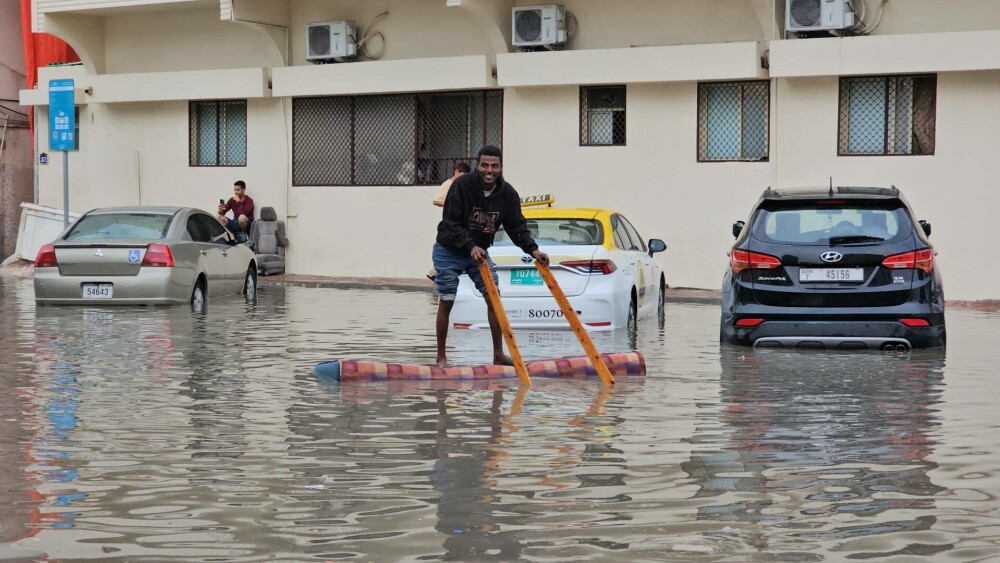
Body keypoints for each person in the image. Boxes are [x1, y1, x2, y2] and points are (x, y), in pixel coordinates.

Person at [432, 145, 549, 367]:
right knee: (447, 300)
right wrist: (469, 245)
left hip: (478, 254)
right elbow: (450, 223)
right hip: (449, 249)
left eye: (495, 166)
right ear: (478, 166)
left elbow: (517, 228)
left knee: (493, 298)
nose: (489, 170)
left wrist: (534, 250)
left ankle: (498, 354)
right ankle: (441, 357)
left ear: (501, 168)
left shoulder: (508, 194)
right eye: (485, 165)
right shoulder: (462, 186)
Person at [427, 162, 472, 281]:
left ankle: (436, 272)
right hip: (449, 223)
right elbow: (436, 200)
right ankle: (435, 272)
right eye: (462, 174)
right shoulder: (448, 184)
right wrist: (452, 205)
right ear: (456, 172)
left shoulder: (461, 185)